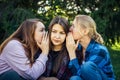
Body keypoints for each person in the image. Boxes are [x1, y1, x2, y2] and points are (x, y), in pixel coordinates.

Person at [66, 15, 115, 80]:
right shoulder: (78, 47)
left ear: (85, 31)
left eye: (74, 26)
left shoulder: (99, 50)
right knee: (74, 79)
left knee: (87, 66)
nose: (70, 29)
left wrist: (71, 53)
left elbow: (84, 73)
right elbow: (76, 74)